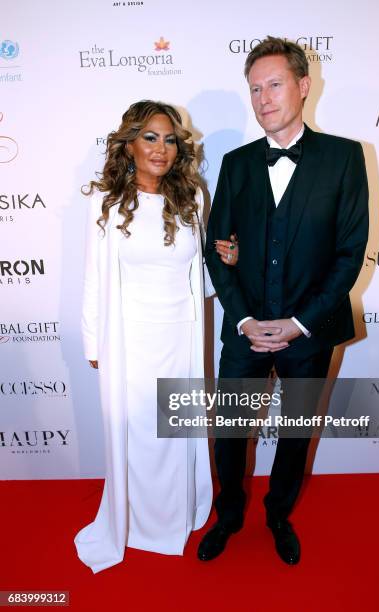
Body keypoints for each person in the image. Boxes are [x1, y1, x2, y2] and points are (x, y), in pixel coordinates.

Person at [199, 36, 369, 565]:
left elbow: (349, 252)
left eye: (274, 84)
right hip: (245, 330)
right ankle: (228, 515)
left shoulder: (345, 157)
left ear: (302, 85)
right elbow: (217, 245)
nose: (264, 97)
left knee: (295, 435)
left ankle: (277, 514)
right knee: (229, 435)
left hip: (309, 332)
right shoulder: (236, 163)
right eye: (254, 88)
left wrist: (299, 322)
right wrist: (245, 317)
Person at [74, 100, 236, 573]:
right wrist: (93, 344)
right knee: (137, 433)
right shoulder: (104, 200)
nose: (160, 149)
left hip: (181, 337)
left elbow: (200, 280)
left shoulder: (193, 198)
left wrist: (227, 259)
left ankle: (174, 516)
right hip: (127, 339)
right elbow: (92, 278)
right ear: (129, 144)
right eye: (150, 137)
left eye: (169, 139)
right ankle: (137, 523)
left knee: (176, 432)